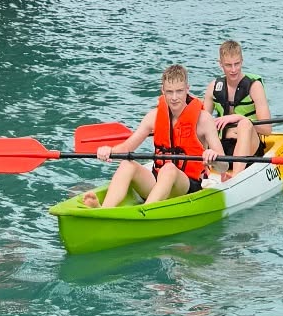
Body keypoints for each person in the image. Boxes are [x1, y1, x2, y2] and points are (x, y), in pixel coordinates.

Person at [79, 65, 225, 208]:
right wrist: (109, 151)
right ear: (163, 91)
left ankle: (144, 212)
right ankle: (104, 210)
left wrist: (213, 157)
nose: (174, 97)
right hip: (158, 182)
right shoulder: (153, 117)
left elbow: (224, 166)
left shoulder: (204, 120)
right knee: (127, 164)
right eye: (169, 92)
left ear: (187, 89)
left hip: (187, 186)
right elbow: (126, 148)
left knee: (169, 169)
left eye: (179, 91)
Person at [208, 40, 274, 178]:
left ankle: (236, 178)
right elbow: (202, 123)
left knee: (244, 124)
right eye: (228, 65)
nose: (233, 69)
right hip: (223, 149)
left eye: (237, 64)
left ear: (242, 61)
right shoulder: (213, 87)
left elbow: (267, 129)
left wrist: (238, 118)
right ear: (220, 64)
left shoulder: (254, 86)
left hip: (250, 150)